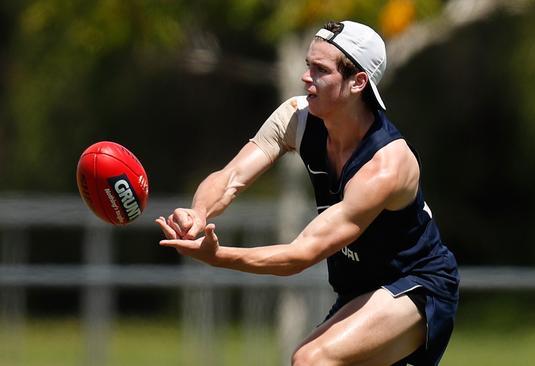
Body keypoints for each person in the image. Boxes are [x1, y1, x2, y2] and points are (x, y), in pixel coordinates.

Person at [156, 20, 460, 366]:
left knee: (311, 360)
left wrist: (218, 256)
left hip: (418, 286)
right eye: (307, 65)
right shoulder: (297, 117)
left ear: (358, 82)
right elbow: (230, 177)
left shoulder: (385, 165)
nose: (306, 78)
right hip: (359, 291)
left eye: (320, 70)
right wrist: (199, 213)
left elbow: (300, 255)